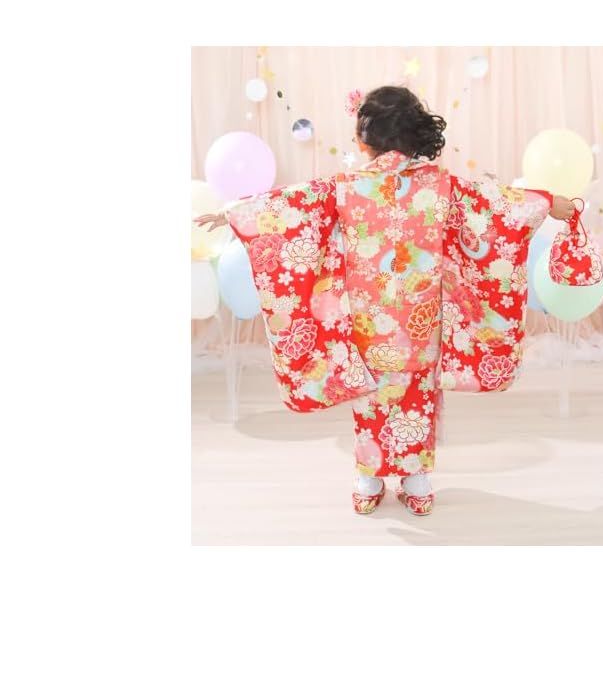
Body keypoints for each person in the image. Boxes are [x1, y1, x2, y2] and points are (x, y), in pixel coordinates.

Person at [196, 85, 574, 516]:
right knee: (418, 394)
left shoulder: (346, 186)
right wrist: (547, 203)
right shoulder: (441, 185)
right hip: (422, 318)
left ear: (364, 140)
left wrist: (232, 213)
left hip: (369, 317)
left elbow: (289, 207)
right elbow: (497, 205)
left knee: (372, 396)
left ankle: (369, 478)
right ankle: (416, 480)